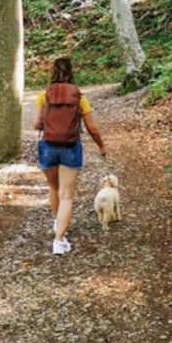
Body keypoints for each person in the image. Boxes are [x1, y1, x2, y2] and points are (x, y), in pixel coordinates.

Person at [33, 56, 106, 255]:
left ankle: (59, 226)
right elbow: (91, 127)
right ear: (71, 72)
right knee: (67, 196)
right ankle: (59, 241)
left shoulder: (44, 96)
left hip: (48, 146)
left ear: (53, 73)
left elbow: (35, 124)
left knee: (53, 187)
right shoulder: (79, 98)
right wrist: (101, 146)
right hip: (71, 147)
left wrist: (49, 123)